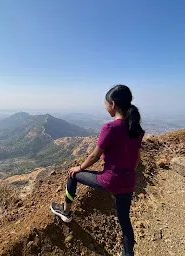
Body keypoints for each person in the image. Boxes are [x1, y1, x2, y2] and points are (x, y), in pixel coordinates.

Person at [50, 85, 145, 256]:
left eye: (106, 104)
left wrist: (78, 167)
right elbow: (137, 159)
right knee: (125, 222)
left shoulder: (110, 128)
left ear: (113, 104)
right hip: (128, 182)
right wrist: (126, 174)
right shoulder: (135, 128)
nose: (105, 106)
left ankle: (66, 211)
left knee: (73, 176)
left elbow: (94, 157)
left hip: (110, 181)